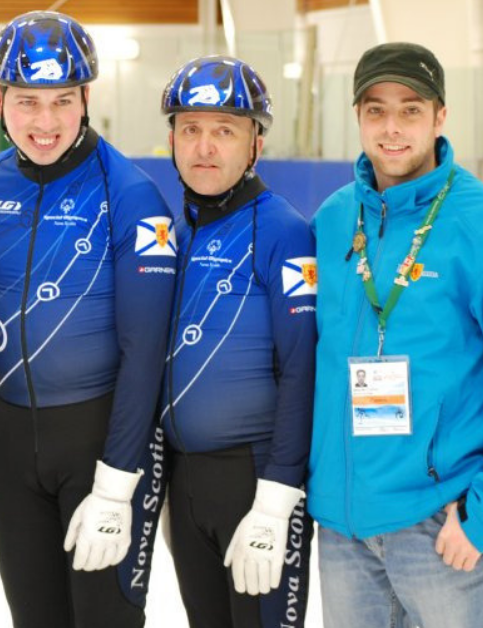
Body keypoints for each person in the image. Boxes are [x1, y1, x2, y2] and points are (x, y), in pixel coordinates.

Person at [309, 42, 483, 628]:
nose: (392, 128)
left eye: (410, 109)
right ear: (357, 116)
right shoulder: (332, 220)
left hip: (441, 529)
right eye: (376, 110)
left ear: (440, 117)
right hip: (343, 533)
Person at [0, 11, 176, 627]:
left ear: (85, 99)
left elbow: (146, 352)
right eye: (27, 102)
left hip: (101, 440)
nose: (45, 122)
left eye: (62, 101)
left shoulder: (132, 196)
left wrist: (117, 480)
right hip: (7, 446)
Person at [157, 56, 315, 628]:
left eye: (225, 130)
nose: (205, 147)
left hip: (255, 481)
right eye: (191, 129)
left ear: (256, 144)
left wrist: (276, 503)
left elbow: (303, 373)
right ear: (171, 139)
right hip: (183, 480)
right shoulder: (170, 233)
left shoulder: (285, 231)